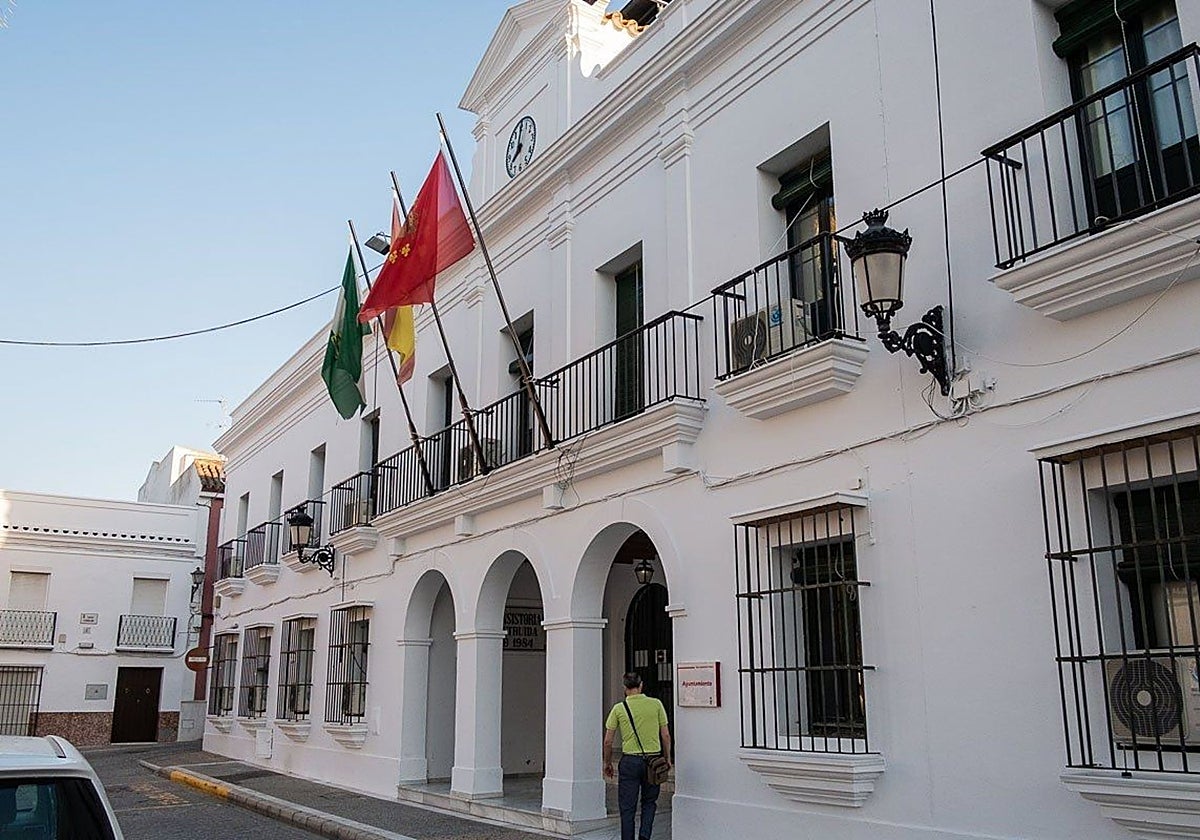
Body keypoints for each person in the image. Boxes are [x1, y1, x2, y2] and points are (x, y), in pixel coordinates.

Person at [603, 672, 672, 840]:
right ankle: (644, 836)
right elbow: (666, 735)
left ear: (625, 688)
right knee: (649, 802)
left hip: (630, 761)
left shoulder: (619, 709)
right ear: (641, 685)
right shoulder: (656, 704)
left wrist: (607, 762)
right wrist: (668, 758)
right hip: (653, 761)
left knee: (627, 806)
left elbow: (608, 741)